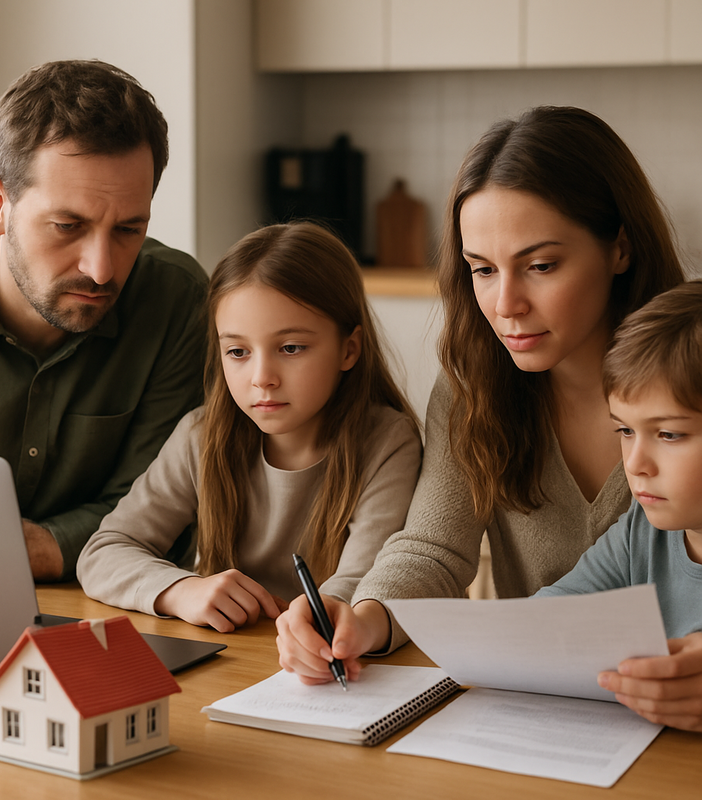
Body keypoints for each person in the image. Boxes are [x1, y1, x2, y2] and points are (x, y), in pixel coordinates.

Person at [275, 105, 685, 682]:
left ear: (620, 247)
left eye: (540, 265)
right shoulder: (475, 385)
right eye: (482, 269)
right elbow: (434, 550)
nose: (505, 304)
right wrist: (363, 618)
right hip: (553, 708)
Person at [0, 60, 208, 581]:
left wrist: (42, 547)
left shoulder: (178, 302)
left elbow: (169, 517)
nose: (102, 269)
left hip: (108, 616)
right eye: (68, 226)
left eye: (129, 229)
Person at [76, 221, 422, 633]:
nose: (262, 378)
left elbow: (366, 584)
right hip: (237, 662)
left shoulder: (388, 443)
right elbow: (103, 552)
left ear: (349, 349)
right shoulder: (200, 436)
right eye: (238, 351)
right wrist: (181, 589)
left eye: (291, 348)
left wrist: (316, 622)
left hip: (338, 658)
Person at [535, 281, 702, 731]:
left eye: (668, 434)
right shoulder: (639, 533)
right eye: (625, 431)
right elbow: (544, 617)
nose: (635, 463)